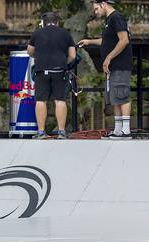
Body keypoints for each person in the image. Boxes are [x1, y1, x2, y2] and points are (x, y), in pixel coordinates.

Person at [79, 0, 133, 139]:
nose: (95, 12)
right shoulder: (109, 20)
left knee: (122, 94)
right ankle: (118, 129)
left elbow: (124, 40)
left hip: (120, 65)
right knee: (114, 96)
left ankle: (126, 131)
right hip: (111, 68)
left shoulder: (116, 17)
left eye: (96, 8)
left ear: (103, 4)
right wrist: (90, 41)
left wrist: (108, 57)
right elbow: (107, 41)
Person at [27, 12, 76, 139]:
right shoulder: (65, 33)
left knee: (41, 100)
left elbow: (30, 51)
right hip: (60, 71)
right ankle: (61, 132)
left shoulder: (37, 33)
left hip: (42, 70)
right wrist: (63, 63)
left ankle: (41, 132)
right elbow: (72, 55)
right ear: (57, 22)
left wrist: (39, 58)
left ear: (43, 22)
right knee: (60, 100)